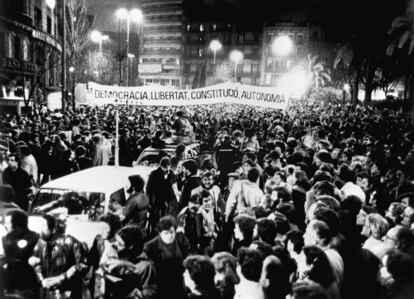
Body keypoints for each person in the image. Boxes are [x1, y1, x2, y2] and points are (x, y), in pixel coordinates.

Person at [31, 213, 89, 299]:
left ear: (54, 229)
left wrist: (61, 278)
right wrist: (42, 280)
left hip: (66, 294)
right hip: (46, 294)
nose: (40, 229)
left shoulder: (71, 243)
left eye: (43, 225)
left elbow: (82, 265)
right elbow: (36, 266)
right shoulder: (39, 244)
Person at [98, 225, 157, 299]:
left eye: (120, 244)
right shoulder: (118, 257)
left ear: (130, 247)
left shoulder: (146, 266)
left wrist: (133, 294)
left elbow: (150, 293)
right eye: (116, 241)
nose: (114, 244)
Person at [144, 216, 190, 299]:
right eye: (166, 233)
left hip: (180, 280)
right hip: (162, 283)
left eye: (172, 232)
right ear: (160, 233)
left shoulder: (181, 240)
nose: (170, 236)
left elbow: (188, 256)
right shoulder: (150, 247)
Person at [1, 210, 40, 299]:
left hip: (25, 286)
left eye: (8, 223)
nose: (5, 225)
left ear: (18, 226)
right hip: (9, 286)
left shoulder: (34, 238)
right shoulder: (6, 238)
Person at [146, 157, 177, 232]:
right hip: (156, 199)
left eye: (168, 168)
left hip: (168, 200)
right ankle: (154, 231)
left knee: (166, 217)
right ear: (161, 166)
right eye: (164, 168)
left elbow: (174, 186)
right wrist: (149, 201)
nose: (166, 170)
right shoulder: (154, 174)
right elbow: (148, 188)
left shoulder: (172, 174)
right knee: (155, 217)